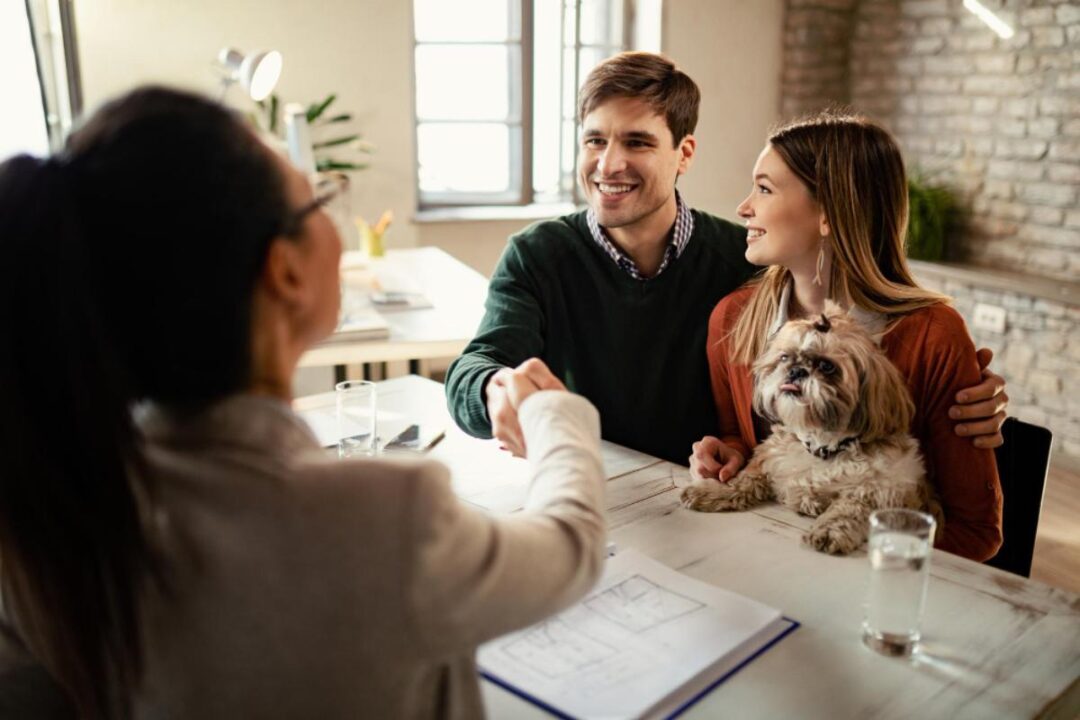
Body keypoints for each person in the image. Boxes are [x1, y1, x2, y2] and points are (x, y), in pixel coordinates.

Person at [0, 86, 606, 719]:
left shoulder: (52, 515)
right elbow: (571, 545)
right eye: (318, 200)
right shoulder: (381, 517)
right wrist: (555, 414)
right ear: (285, 270)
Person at [445, 51, 1008, 466]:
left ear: (683, 152)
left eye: (637, 142)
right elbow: (474, 367)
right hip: (587, 491)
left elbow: (853, 348)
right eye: (594, 140)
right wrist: (494, 388)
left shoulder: (752, 269)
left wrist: (963, 388)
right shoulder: (537, 255)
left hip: (709, 505)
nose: (608, 164)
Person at [689, 112, 1003, 561]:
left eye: (764, 188)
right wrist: (729, 455)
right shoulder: (734, 318)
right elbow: (741, 436)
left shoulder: (933, 334)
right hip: (756, 557)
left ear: (829, 213)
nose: (743, 208)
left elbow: (976, 531)